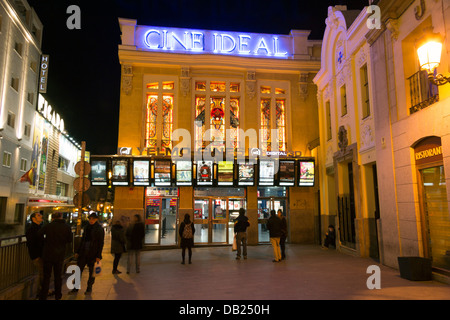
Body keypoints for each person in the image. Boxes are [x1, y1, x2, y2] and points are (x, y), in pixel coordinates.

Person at [37, 212, 73, 300]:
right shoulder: (67, 227)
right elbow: (70, 240)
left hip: (48, 254)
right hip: (59, 255)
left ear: (52, 218)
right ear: (61, 217)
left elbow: (39, 234)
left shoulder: (48, 226)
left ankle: (43, 295)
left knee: (46, 276)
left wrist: (46, 240)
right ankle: (58, 295)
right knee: (58, 276)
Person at [70, 212, 105, 295]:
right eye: (90, 219)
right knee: (79, 270)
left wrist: (98, 255)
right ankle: (75, 288)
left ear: (96, 219)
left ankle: (89, 288)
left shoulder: (99, 229)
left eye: (93, 219)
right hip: (83, 253)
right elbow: (83, 240)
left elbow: (101, 243)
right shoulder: (87, 227)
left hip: (93, 253)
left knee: (92, 272)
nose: (91, 220)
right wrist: (78, 252)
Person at [25, 212, 44, 298]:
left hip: (40, 255)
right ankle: (40, 292)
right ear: (33, 219)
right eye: (38, 215)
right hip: (37, 256)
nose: (41, 216)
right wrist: (36, 256)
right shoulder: (32, 229)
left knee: (43, 273)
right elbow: (31, 244)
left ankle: (42, 291)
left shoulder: (39, 227)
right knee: (42, 273)